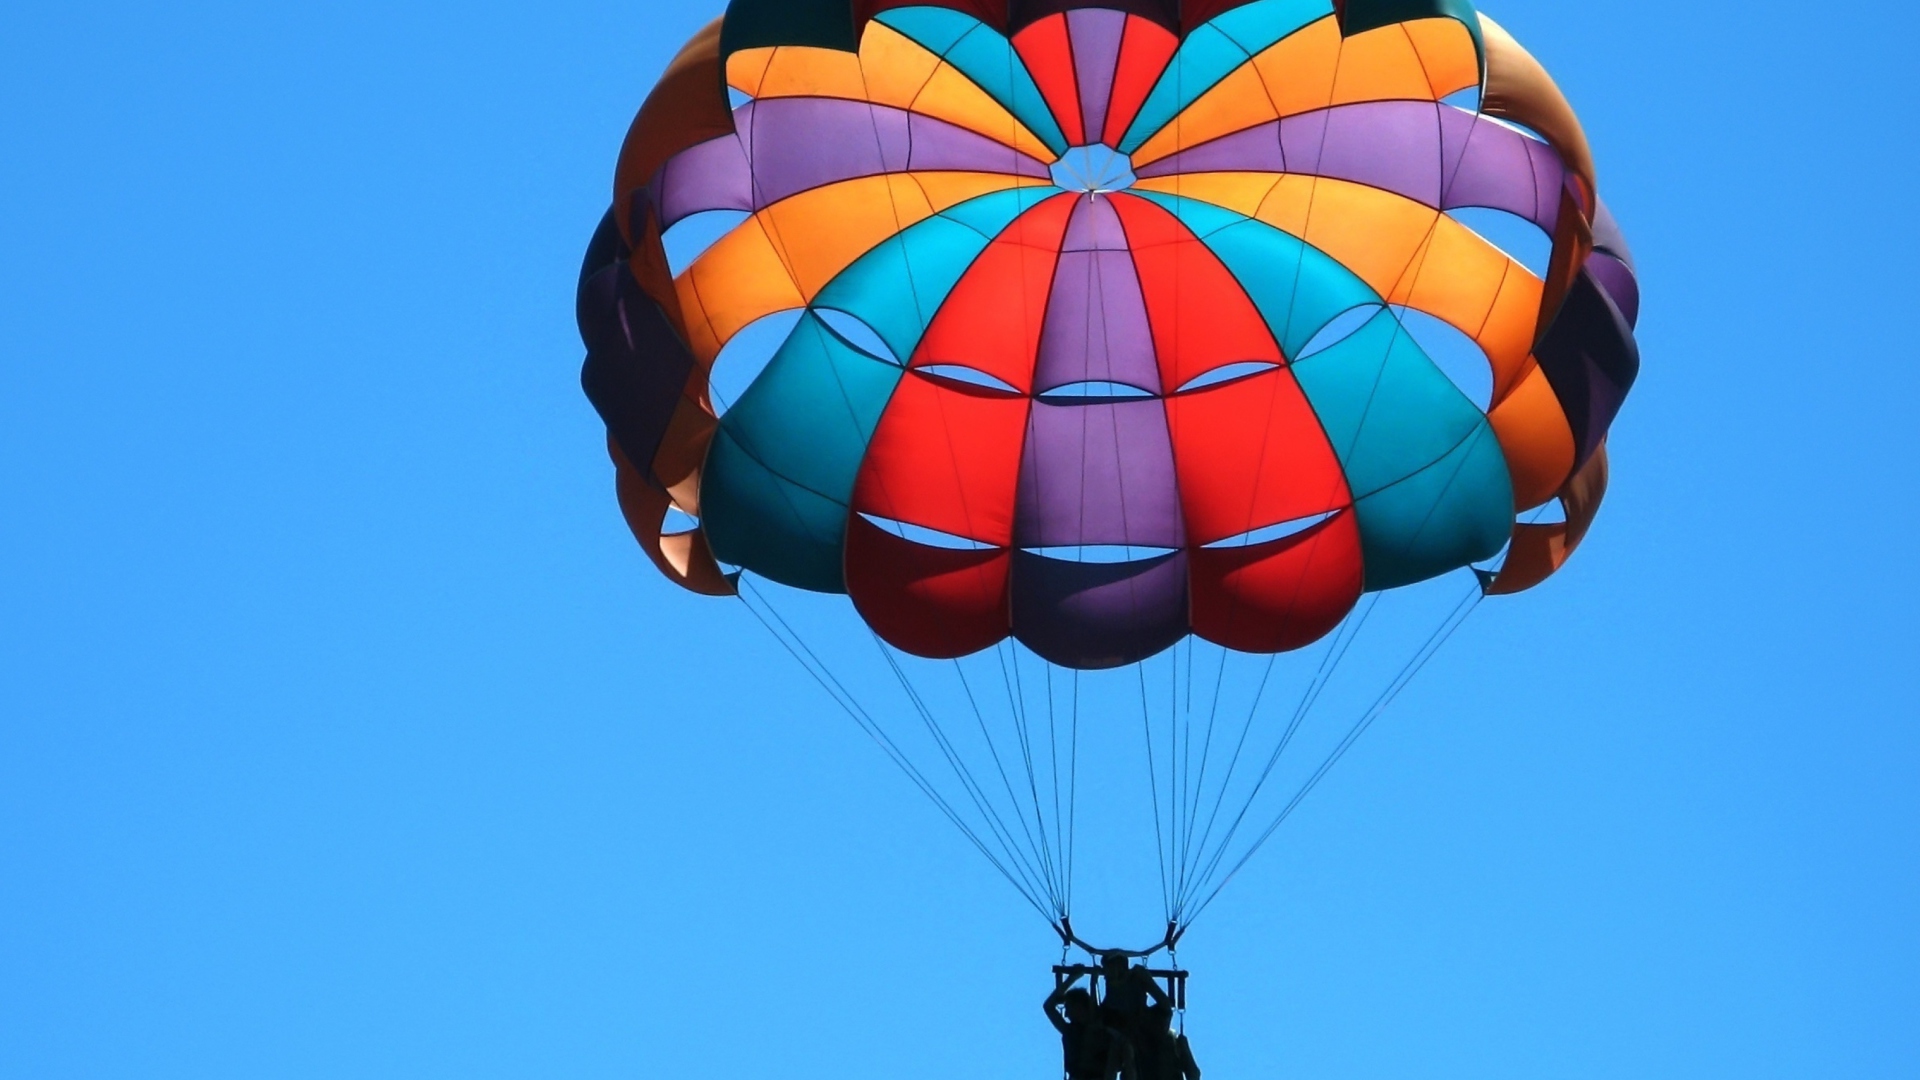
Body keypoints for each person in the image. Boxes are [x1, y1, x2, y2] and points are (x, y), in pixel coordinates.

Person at [1045, 982, 1133, 1080]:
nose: (1066, 1014)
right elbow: (1048, 1007)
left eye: (1068, 1008)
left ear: (1078, 1008)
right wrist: (1073, 977)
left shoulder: (1106, 1032)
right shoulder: (1071, 1031)